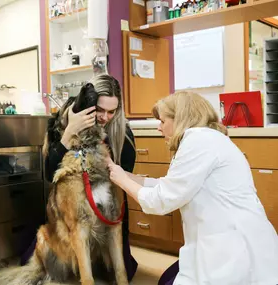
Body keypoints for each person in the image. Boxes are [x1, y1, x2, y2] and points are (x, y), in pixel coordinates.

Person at [108, 91, 278, 285]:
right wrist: (122, 173)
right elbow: (169, 186)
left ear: (180, 119)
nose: (158, 128)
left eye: (163, 121)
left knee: (167, 282)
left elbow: (161, 201)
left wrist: (121, 179)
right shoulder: (206, 139)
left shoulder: (198, 141)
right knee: (167, 279)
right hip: (229, 241)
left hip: (234, 250)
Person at [21, 74, 138, 282]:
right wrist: (69, 132)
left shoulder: (123, 133)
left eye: (112, 112)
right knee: (31, 262)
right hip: (70, 215)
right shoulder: (61, 124)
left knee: (124, 272)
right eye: (100, 110)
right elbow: (49, 174)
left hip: (108, 214)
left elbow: (125, 182)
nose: (104, 117)